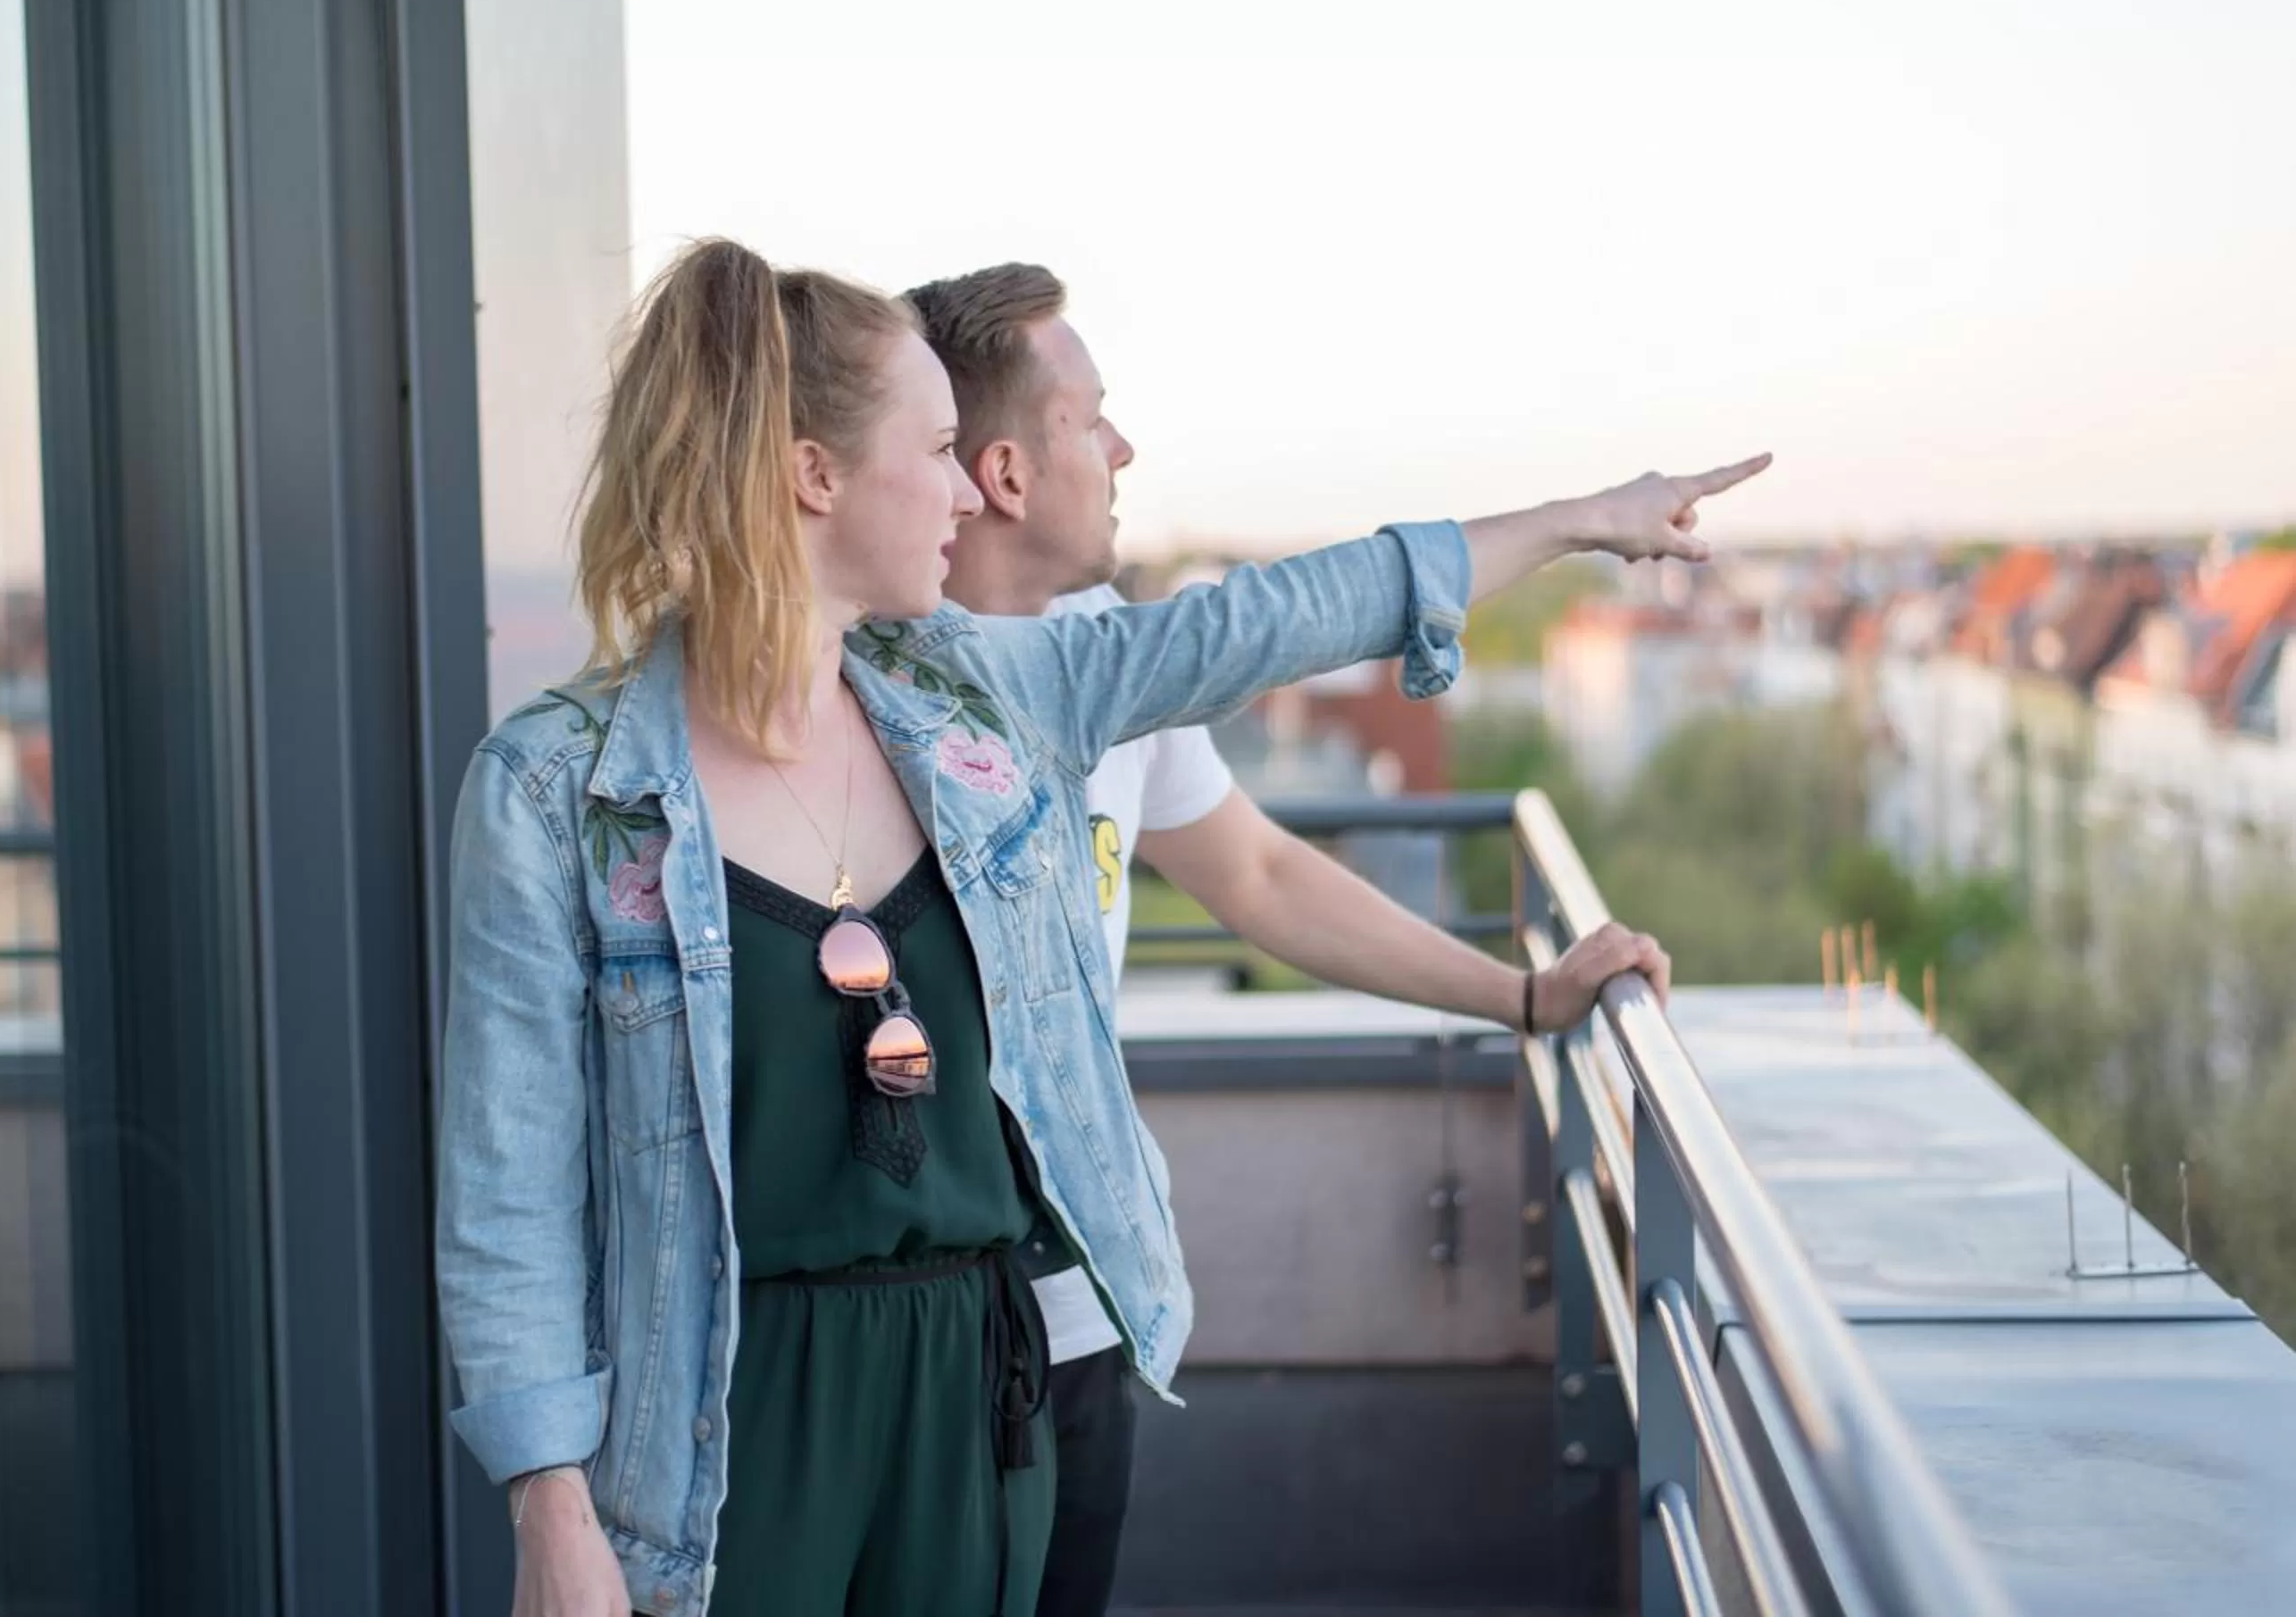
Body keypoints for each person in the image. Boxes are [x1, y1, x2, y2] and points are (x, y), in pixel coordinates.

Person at [436, 237, 1763, 1617]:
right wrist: (550, 1505)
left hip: (976, 1399)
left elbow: (1281, 617)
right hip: (722, 1425)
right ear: (814, 475)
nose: (965, 489)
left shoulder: (988, 695)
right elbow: (508, 1187)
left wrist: (1577, 519)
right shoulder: (553, 787)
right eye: (936, 449)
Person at [905, 263, 1738, 1616]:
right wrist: (1580, 520)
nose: (1125, 448)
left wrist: (1524, 996)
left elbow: (1263, 876)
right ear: (1003, 472)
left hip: (1083, 1316)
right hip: (905, 1342)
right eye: (1092, 418)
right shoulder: (875, 680)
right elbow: (1297, 613)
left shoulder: (1107, 654)